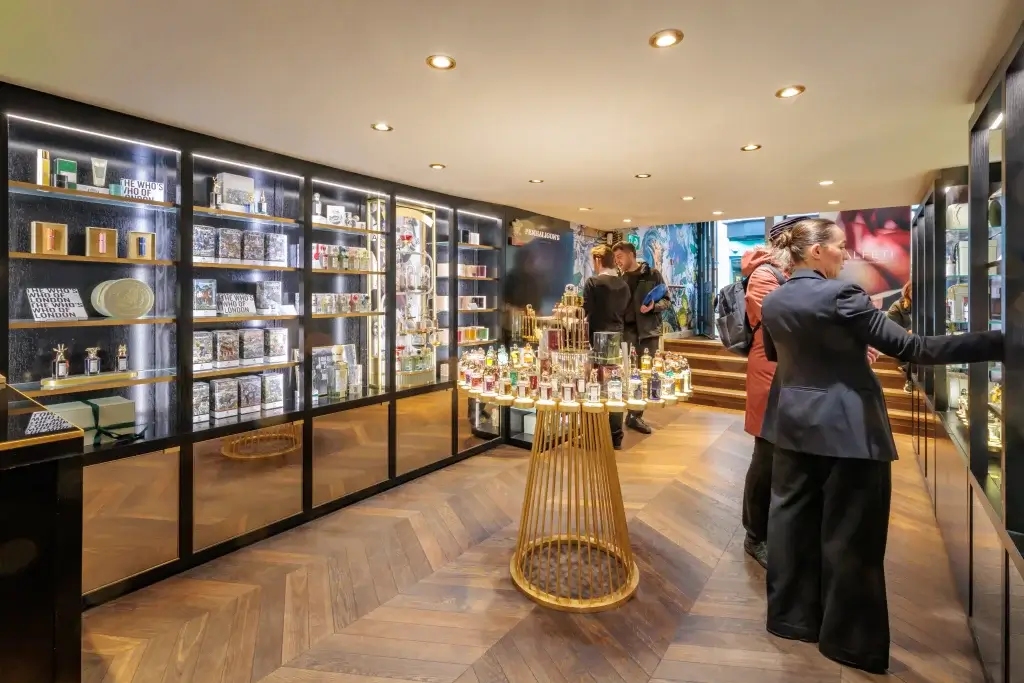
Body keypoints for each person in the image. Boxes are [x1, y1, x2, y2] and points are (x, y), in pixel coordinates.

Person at [758, 218, 1003, 674]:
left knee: (791, 527)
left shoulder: (773, 300)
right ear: (815, 252)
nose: (845, 255)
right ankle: (848, 642)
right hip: (849, 430)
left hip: (791, 426)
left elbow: (777, 356)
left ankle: (790, 620)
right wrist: (1000, 341)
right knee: (851, 538)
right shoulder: (842, 296)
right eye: (839, 247)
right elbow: (913, 348)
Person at [738, 220, 796, 568]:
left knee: (782, 452)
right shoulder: (764, 275)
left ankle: (778, 524)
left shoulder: (784, 275)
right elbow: (781, 320)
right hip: (770, 371)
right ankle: (754, 533)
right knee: (767, 452)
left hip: (789, 370)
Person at [612, 241, 671, 434]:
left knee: (645, 375)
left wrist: (654, 306)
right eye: (615, 258)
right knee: (625, 374)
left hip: (648, 333)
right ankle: (619, 415)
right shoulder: (618, 278)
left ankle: (635, 416)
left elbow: (667, 300)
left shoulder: (652, 275)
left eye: (620, 257)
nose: (617, 261)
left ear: (631, 255)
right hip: (625, 334)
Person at [582, 244, 631, 449]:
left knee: (594, 386)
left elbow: (585, 311)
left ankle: (594, 436)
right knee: (615, 387)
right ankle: (615, 436)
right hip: (617, 341)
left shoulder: (593, 282)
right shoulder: (623, 285)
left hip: (596, 340)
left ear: (598, 260)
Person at [886, 280, 913, 392]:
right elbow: (891, 332)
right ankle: (910, 380)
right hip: (901, 346)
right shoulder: (897, 307)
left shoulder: (925, 307)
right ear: (907, 292)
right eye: (914, 291)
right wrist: (908, 333)